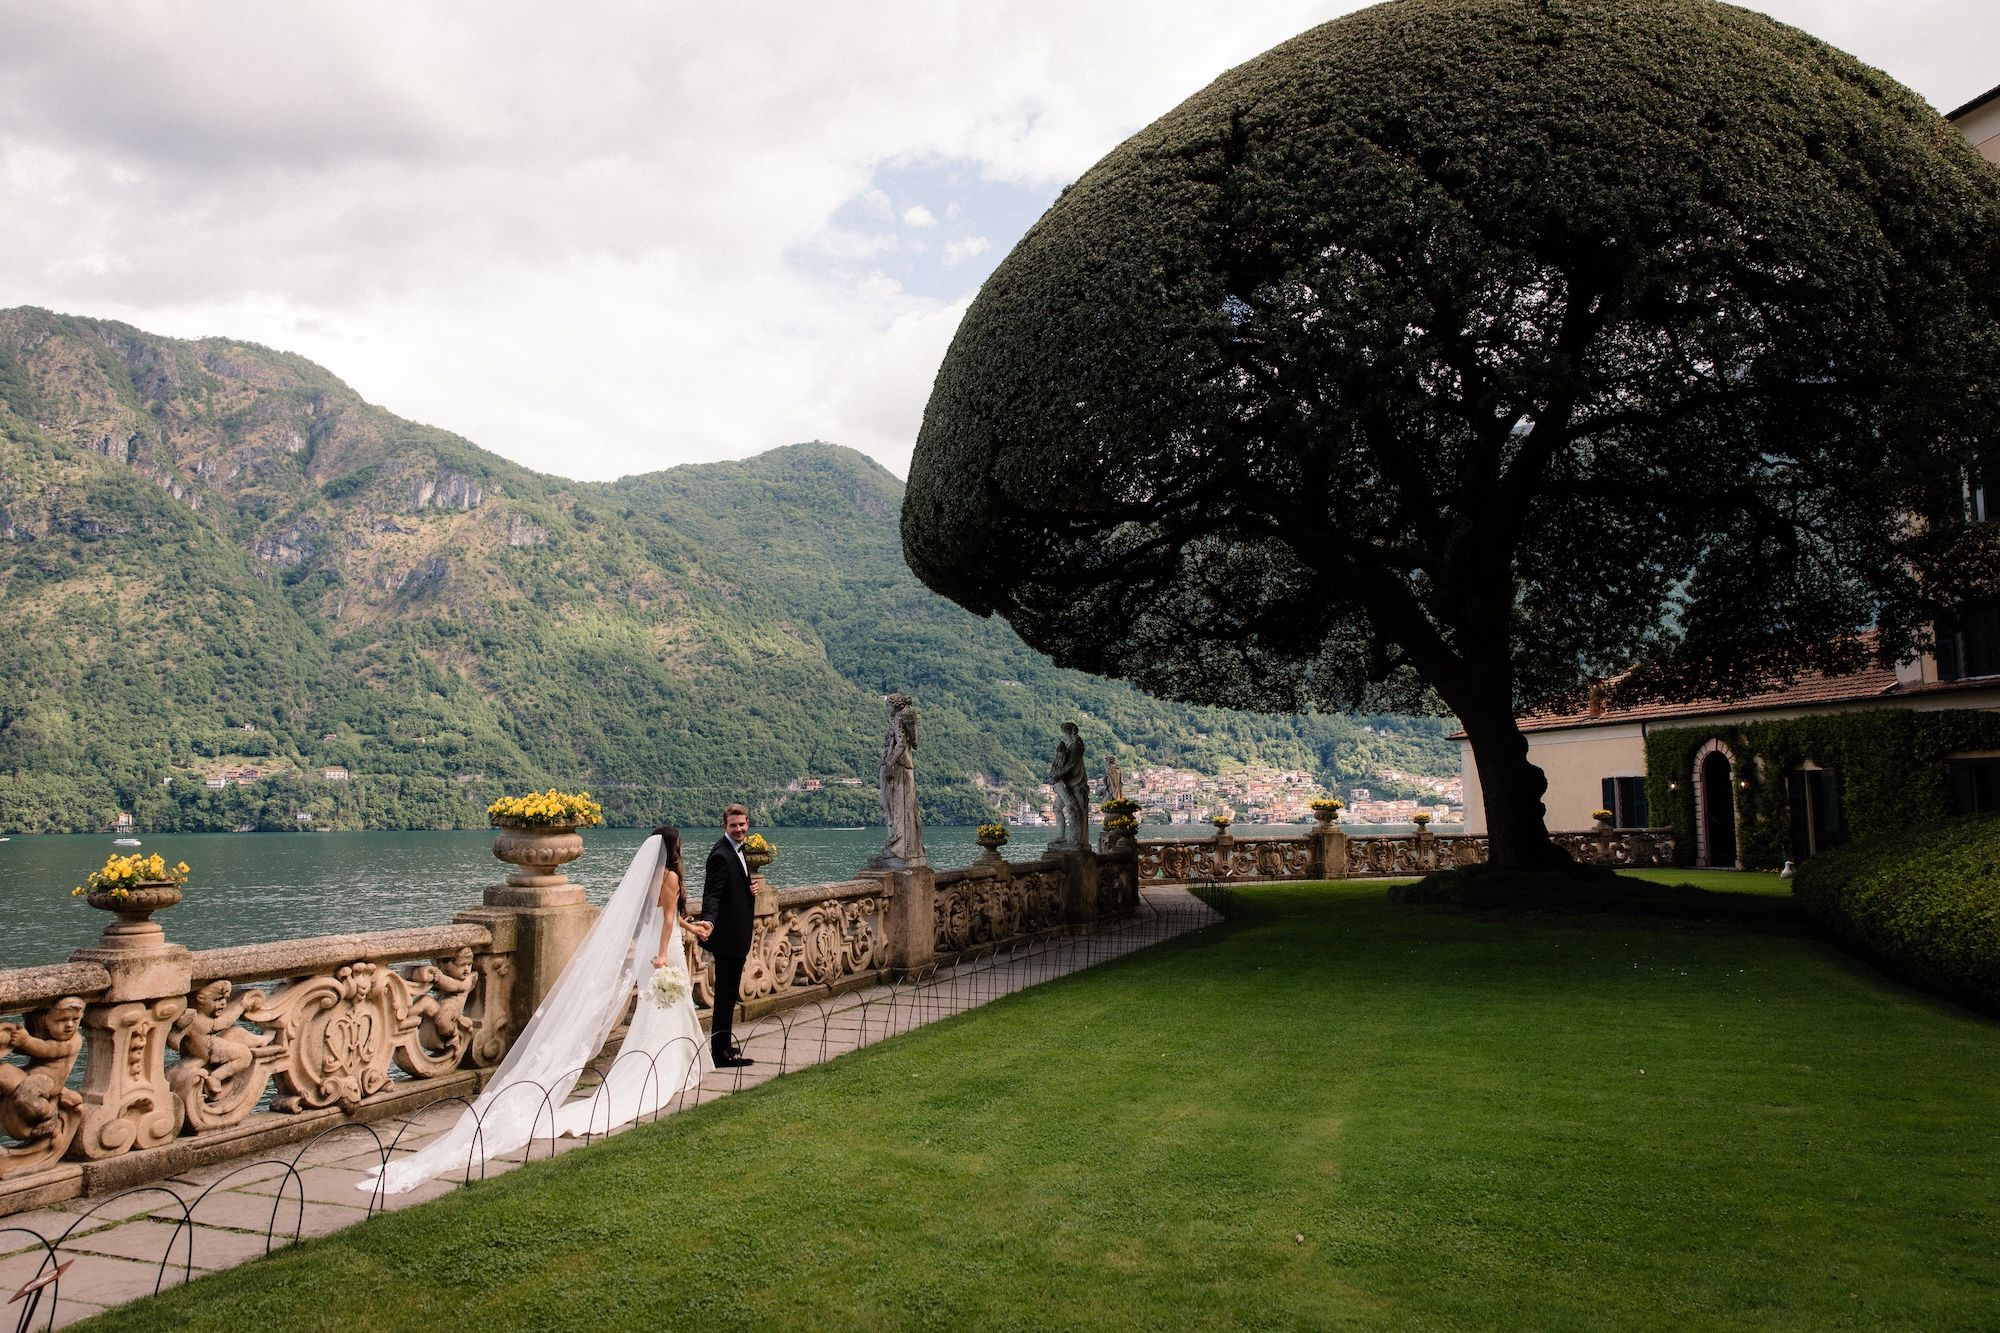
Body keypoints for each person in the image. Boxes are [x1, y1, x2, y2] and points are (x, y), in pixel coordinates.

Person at [362, 825, 713, 1195]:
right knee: (665, 1010)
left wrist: (693, 926)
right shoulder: (672, 875)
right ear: (675, 847)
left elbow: (658, 916)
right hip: (664, 951)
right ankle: (663, 1070)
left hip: (655, 950)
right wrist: (662, 954)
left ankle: (664, 1065)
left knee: (659, 1012)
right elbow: (667, 919)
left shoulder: (652, 878)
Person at [699, 804, 757, 1068]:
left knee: (729, 994)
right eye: (733, 825)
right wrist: (709, 921)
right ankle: (719, 1053)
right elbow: (712, 894)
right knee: (724, 996)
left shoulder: (738, 850)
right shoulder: (720, 855)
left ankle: (724, 1045)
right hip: (727, 938)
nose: (739, 829)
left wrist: (748, 888)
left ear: (748, 824)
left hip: (737, 936)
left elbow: (731, 886)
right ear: (724, 826)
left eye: (742, 824)